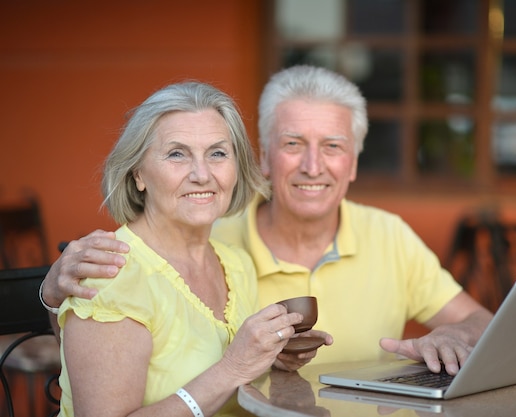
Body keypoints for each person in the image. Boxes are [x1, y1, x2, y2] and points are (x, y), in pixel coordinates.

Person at [42, 66, 493, 376]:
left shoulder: (388, 235)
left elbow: (483, 321)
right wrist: (51, 295)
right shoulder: (207, 233)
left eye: (333, 147)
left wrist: (453, 335)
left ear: (353, 164)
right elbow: (100, 331)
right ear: (262, 156)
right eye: (293, 143)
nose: (313, 166)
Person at [54, 81, 308, 417]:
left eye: (217, 153)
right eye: (177, 154)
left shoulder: (235, 263)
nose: (202, 174)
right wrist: (232, 368)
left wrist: (270, 358)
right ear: (138, 174)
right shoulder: (112, 274)